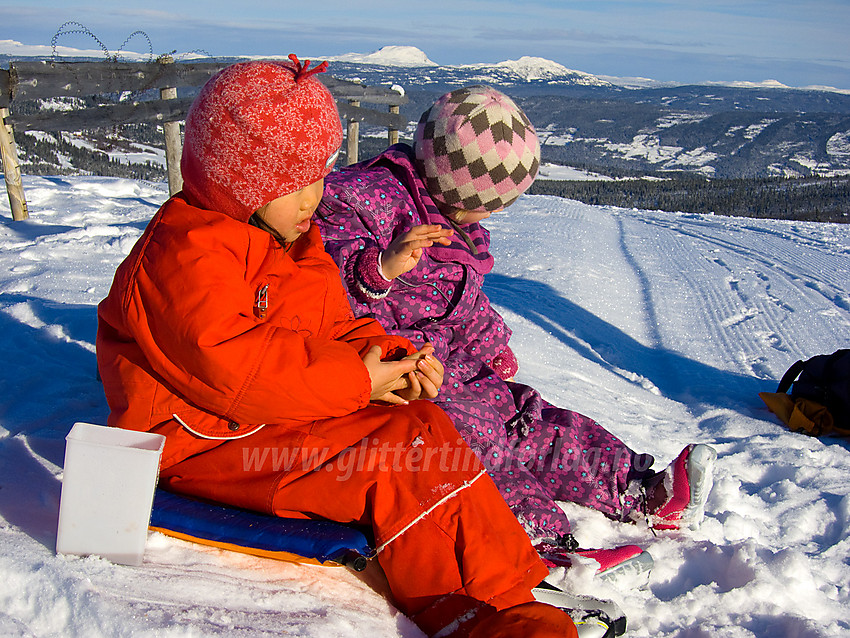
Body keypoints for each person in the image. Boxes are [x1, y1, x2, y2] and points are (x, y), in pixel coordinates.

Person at [95, 60, 580, 638]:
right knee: (392, 455)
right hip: (202, 441)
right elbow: (240, 373)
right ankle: (462, 612)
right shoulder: (186, 256)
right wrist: (358, 383)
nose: (314, 197)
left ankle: (511, 591)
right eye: (294, 182)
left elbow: (334, 325)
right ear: (242, 181)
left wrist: (393, 360)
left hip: (264, 421)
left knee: (424, 423)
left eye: (319, 175)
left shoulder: (291, 242)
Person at [315, 85, 718, 581]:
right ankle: (539, 550)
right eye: (493, 204)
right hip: (402, 374)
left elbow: (463, 302)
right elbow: (324, 278)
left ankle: (640, 490)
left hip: (456, 369)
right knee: (475, 445)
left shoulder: (450, 216)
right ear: (458, 185)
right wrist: (378, 269)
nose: (496, 214)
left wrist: (491, 345)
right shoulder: (363, 199)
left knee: (529, 419)